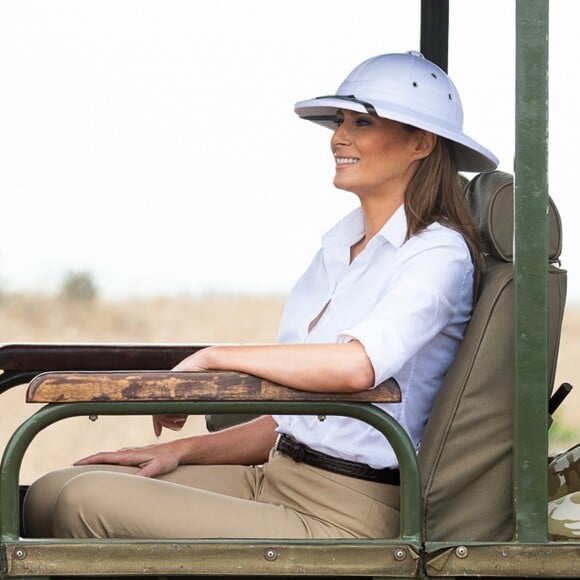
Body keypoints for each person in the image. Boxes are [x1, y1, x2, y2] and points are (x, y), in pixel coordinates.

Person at [23, 51, 498, 540]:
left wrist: (210, 358)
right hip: (275, 474)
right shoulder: (340, 246)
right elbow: (298, 417)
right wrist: (182, 452)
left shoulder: (438, 253)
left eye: (361, 122)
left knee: (83, 502)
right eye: (339, 121)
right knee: (48, 490)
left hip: (349, 509)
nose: (339, 137)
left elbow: (358, 367)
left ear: (420, 142)